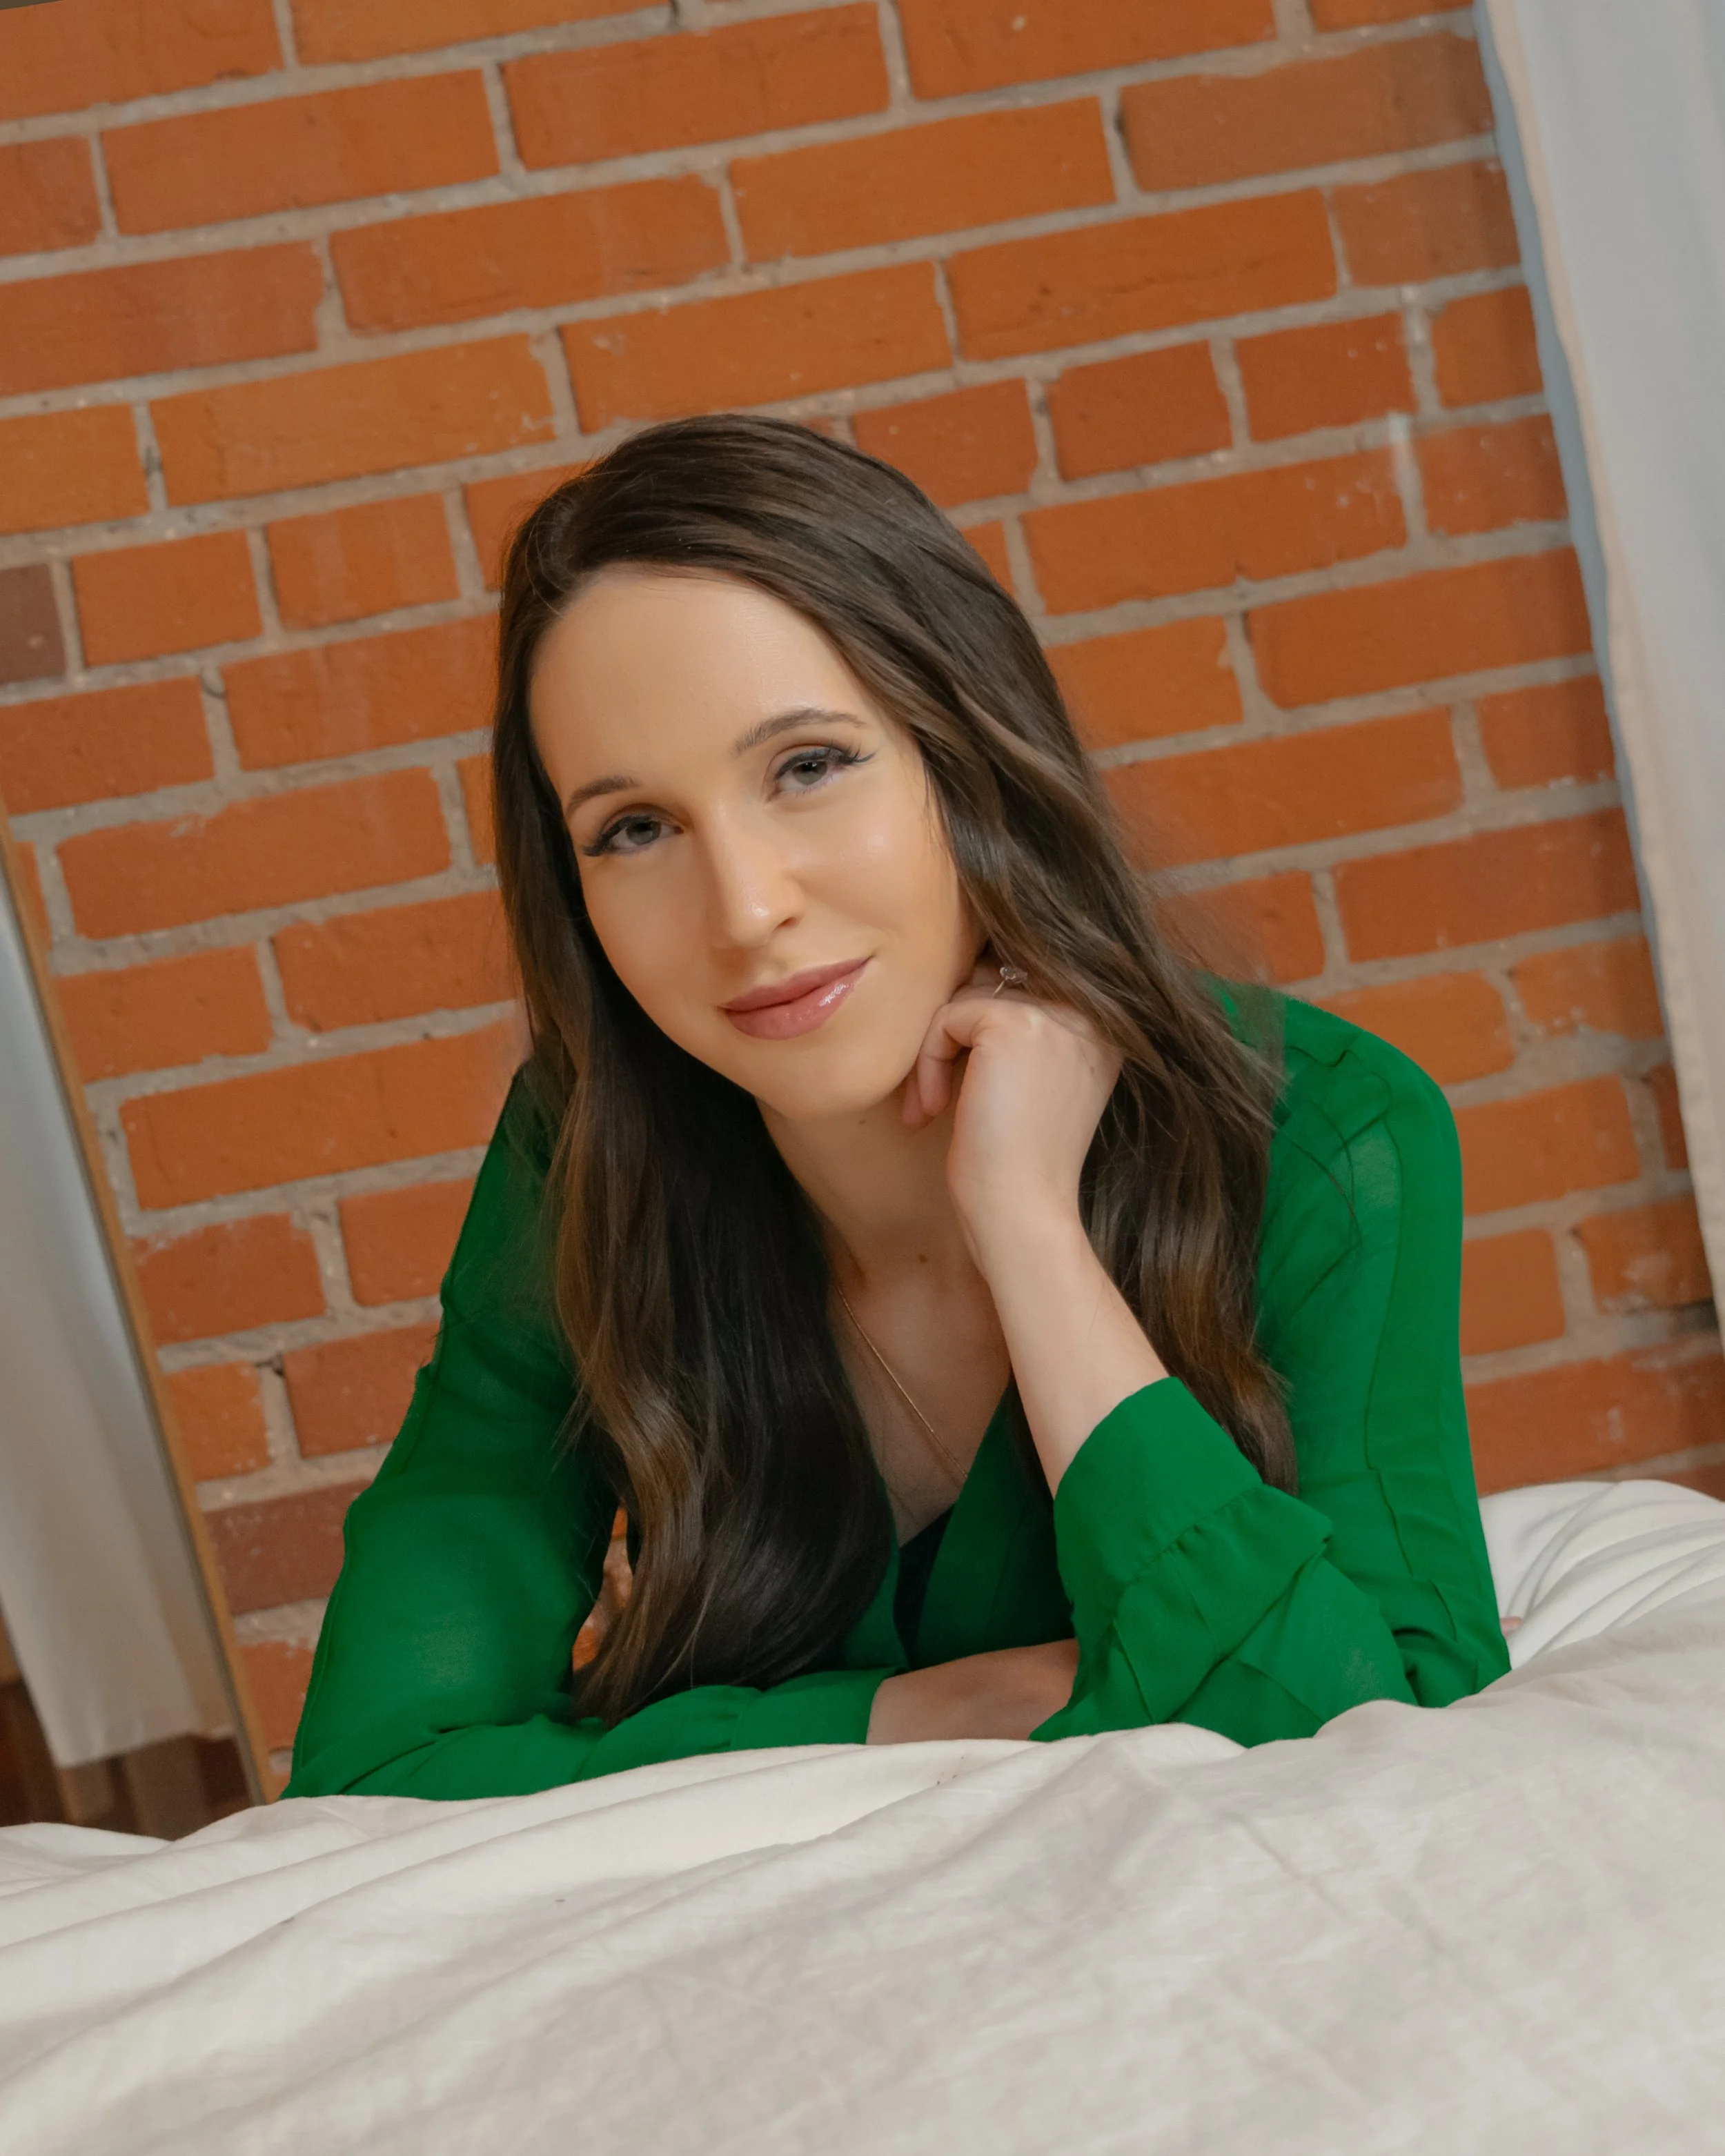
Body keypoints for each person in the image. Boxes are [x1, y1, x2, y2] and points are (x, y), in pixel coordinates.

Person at [285, 415, 1508, 1801]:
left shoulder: (1322, 1134)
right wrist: (937, 1708)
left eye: (807, 764)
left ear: (964, 747)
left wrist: (1027, 1225)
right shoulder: (584, 1153)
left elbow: (1379, 1737)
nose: (745, 911)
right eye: (634, 827)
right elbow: (375, 1770)